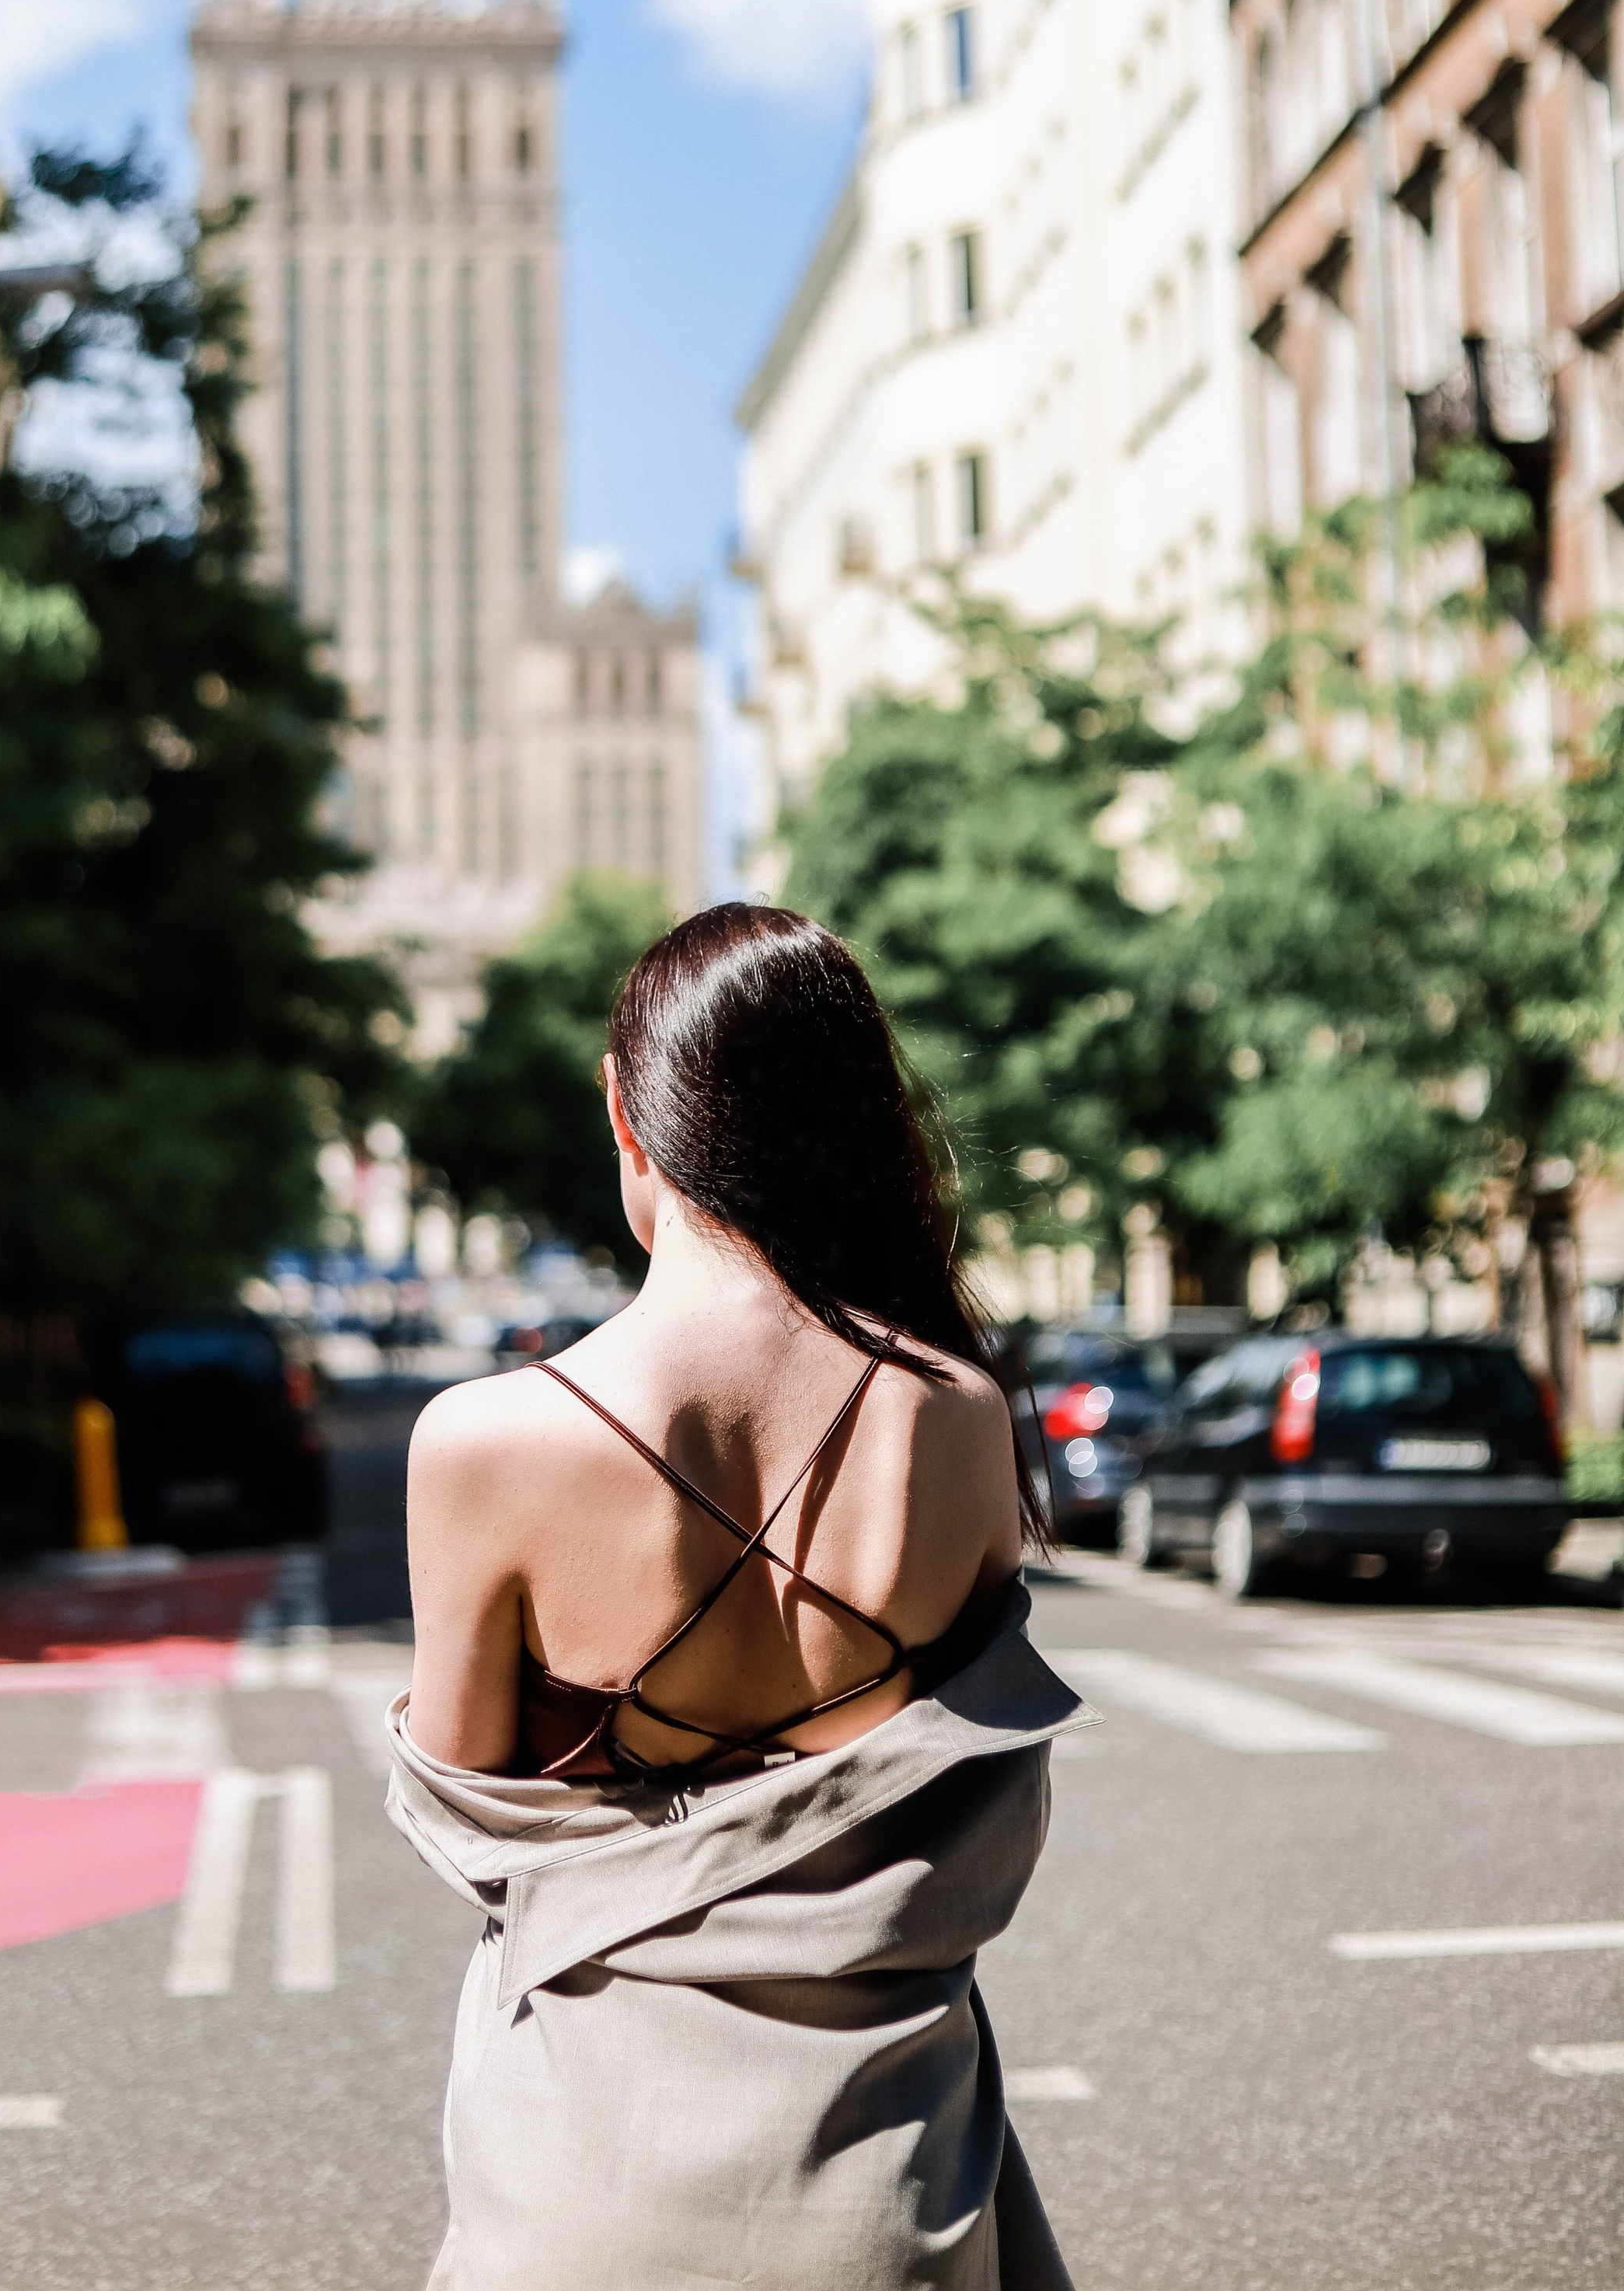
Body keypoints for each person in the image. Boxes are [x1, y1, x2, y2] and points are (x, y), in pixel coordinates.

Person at [389, 903, 1088, 2291]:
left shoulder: (484, 1443)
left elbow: (473, 1811)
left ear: (624, 1112)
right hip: (883, 2173)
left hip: (585, 2175)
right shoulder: (954, 1414)